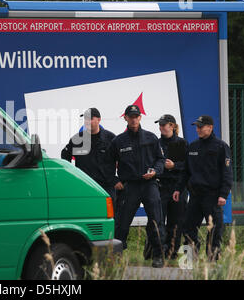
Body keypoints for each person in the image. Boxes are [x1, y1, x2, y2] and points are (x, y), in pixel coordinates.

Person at [110, 105, 166, 268]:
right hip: (129, 187)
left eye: (136, 116)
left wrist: (155, 171)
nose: (134, 119)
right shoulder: (118, 141)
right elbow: (107, 164)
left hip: (149, 184)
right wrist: (115, 181)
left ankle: (158, 255)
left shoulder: (151, 137)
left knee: (156, 220)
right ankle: (117, 256)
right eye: (131, 116)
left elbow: (160, 160)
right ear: (125, 118)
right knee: (122, 222)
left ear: (140, 117)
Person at [173, 115, 233, 261]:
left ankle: (212, 259)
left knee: (214, 229)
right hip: (195, 195)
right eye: (197, 127)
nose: (198, 129)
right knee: (188, 227)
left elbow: (227, 173)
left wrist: (223, 194)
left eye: (201, 126)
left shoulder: (220, 146)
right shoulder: (192, 146)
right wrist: (178, 189)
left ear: (210, 127)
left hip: (212, 196)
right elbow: (186, 171)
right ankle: (189, 259)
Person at [144, 114, 189, 260]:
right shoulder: (156, 143)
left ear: (172, 126)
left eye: (164, 124)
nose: (161, 127)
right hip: (160, 186)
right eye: (160, 124)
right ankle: (155, 253)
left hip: (177, 187)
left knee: (176, 223)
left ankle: (172, 253)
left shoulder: (182, 143)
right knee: (157, 221)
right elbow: (151, 163)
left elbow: (188, 166)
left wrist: (173, 165)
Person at [61, 108, 116, 199]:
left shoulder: (110, 138)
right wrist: (71, 175)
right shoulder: (77, 139)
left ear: (99, 120)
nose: (87, 121)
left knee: (108, 213)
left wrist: (116, 180)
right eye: (85, 119)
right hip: (85, 185)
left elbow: (121, 159)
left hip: (106, 187)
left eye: (90, 119)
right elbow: (65, 156)